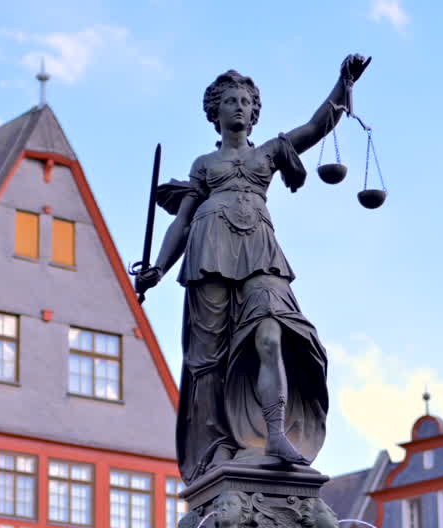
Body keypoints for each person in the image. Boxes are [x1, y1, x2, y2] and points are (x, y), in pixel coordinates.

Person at [137, 54, 371, 484]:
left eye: (246, 100)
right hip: (209, 251)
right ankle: (213, 448)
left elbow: (317, 127)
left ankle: (275, 431)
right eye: (231, 101)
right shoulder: (204, 166)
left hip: (260, 252)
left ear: (255, 111)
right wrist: (157, 268)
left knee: (272, 331)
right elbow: (182, 222)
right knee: (208, 360)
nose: (240, 107)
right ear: (216, 111)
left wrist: (344, 86)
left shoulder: (269, 153)